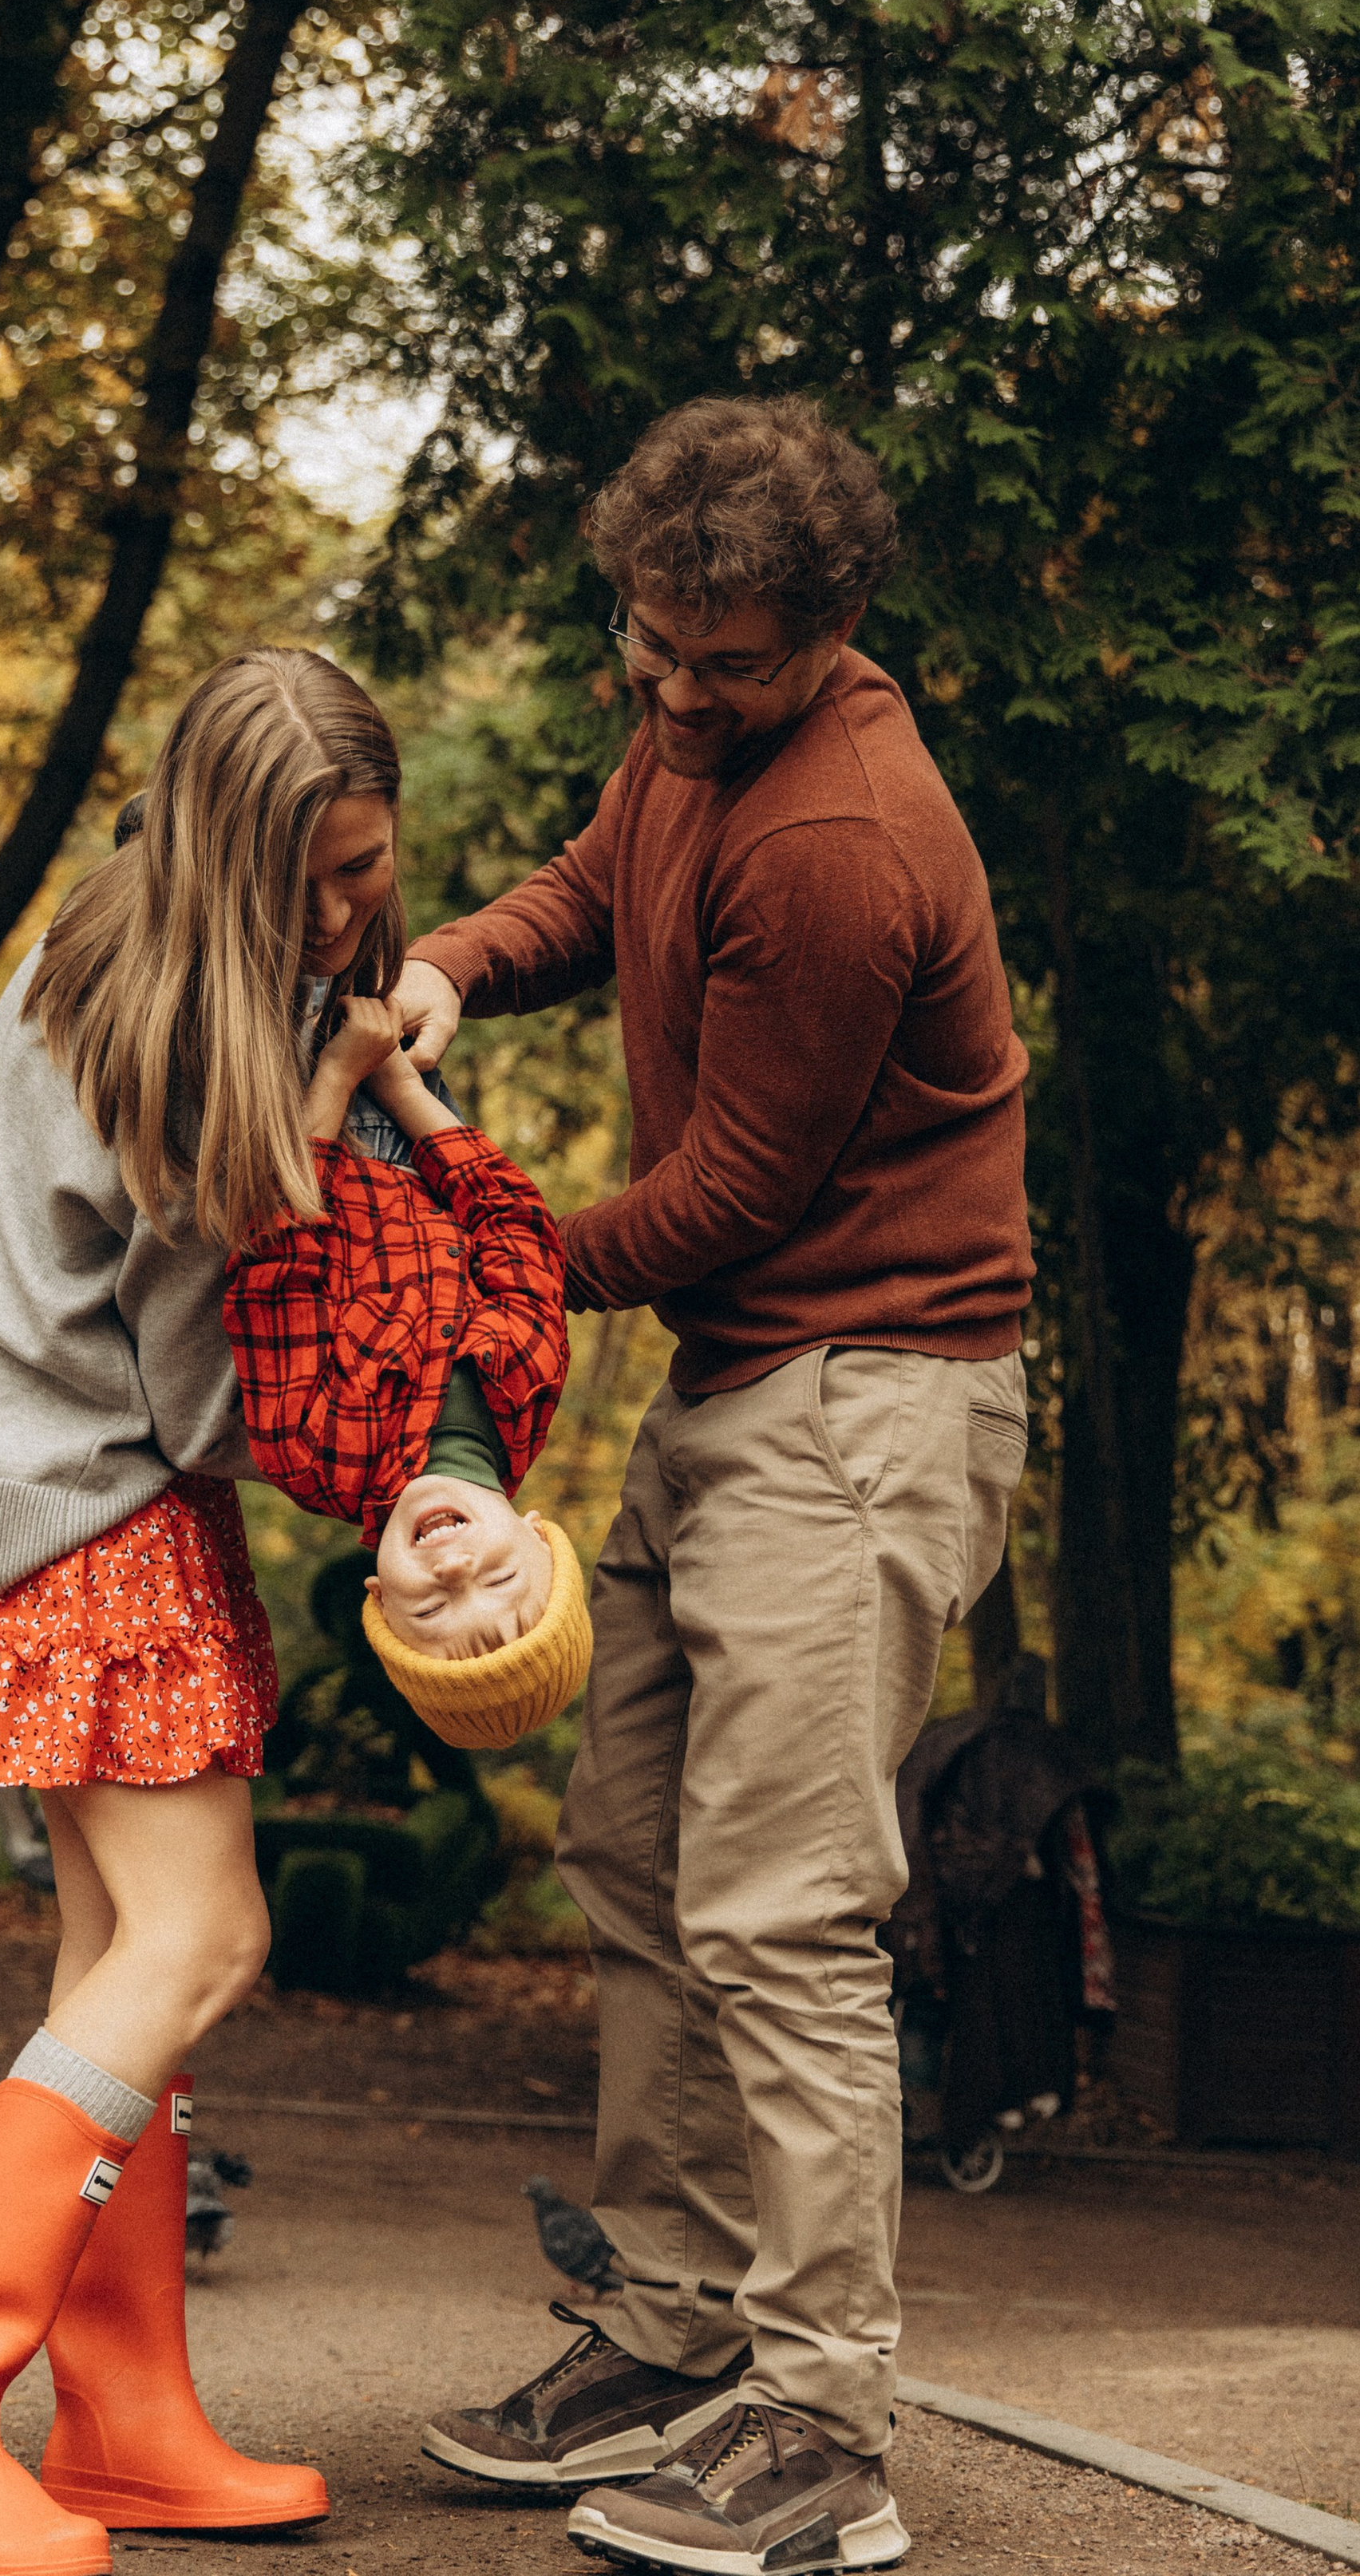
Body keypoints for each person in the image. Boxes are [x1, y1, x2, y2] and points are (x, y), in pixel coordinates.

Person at [395, 396, 1034, 2576]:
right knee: (638, 1856)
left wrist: (482, 1263)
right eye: (645, 649)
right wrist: (450, 964)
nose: (672, 696)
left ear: (833, 624)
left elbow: (740, 1190)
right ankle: (672, 2337)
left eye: (723, 665)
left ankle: (828, 2432)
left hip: (865, 1396)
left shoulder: (844, 837)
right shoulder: (693, 739)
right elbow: (593, 884)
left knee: (782, 1912)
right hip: (742, 1387)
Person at [0, 646, 408, 2576]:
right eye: (316, 882)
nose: (347, 913)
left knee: (109, 1959)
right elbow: (205, 1387)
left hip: (18, 1456)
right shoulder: (180, 1036)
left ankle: (128, 2416)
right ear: (236, 866)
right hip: (84, 1488)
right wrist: (367, 1432)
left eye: (368, 871)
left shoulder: (135, 924)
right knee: (200, 1930)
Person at [222, 990, 592, 1744]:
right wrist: (398, 1086)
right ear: (536, 1533)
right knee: (350, 948)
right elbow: (517, 1226)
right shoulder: (525, 1389)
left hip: (299, 1126)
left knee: (259, 971)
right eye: (500, 1579)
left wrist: (334, 1078)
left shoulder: (313, 1455)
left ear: (378, 1599)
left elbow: (274, 1259)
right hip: (423, 1123)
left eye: (430, 1611)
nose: (456, 1575)